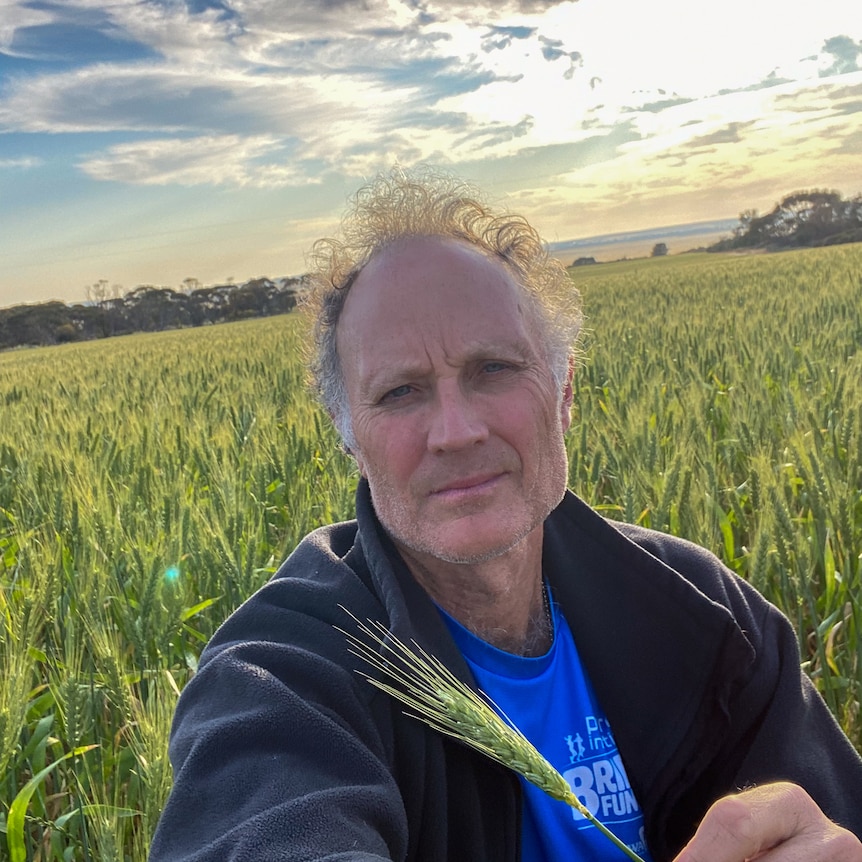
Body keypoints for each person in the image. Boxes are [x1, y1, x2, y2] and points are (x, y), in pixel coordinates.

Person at [149, 168, 862, 862]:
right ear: (347, 435)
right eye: (400, 392)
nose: (455, 431)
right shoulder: (281, 673)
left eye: (494, 369)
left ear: (565, 390)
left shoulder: (703, 611)